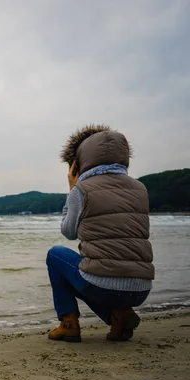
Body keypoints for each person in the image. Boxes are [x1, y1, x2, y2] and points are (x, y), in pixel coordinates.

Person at [46, 124, 154, 342]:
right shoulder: (140, 188)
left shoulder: (82, 190)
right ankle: (118, 316)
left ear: (80, 161)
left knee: (56, 256)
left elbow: (68, 232)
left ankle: (69, 324)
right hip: (141, 288)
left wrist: (71, 189)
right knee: (96, 275)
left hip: (102, 286)